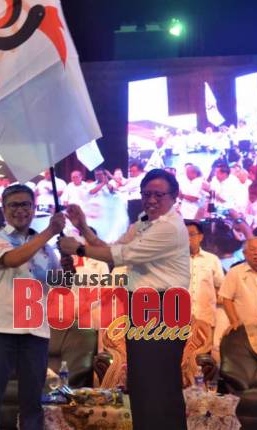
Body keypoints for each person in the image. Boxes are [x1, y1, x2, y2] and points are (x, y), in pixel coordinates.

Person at [59, 169, 190, 430]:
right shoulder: (144, 223)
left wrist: (79, 249)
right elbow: (110, 247)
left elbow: (121, 256)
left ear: (173, 197)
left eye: (158, 195)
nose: (151, 200)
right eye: (146, 194)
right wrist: (83, 227)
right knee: (142, 387)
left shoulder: (169, 227)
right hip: (143, 309)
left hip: (163, 309)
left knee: (159, 389)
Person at [0, 184, 66, 430]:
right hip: (0, 330)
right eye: (13, 205)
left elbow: (60, 285)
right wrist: (50, 230)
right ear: (4, 210)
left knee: (32, 404)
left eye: (25, 204)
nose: (20, 210)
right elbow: (13, 259)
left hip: (35, 333)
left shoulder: (47, 248)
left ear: (33, 207)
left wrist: (68, 266)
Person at [185, 220, 223, 328]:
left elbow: (220, 287)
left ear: (200, 237)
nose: (187, 238)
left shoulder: (212, 260)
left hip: (206, 319)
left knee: (205, 345)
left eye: (191, 234)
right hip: (179, 321)